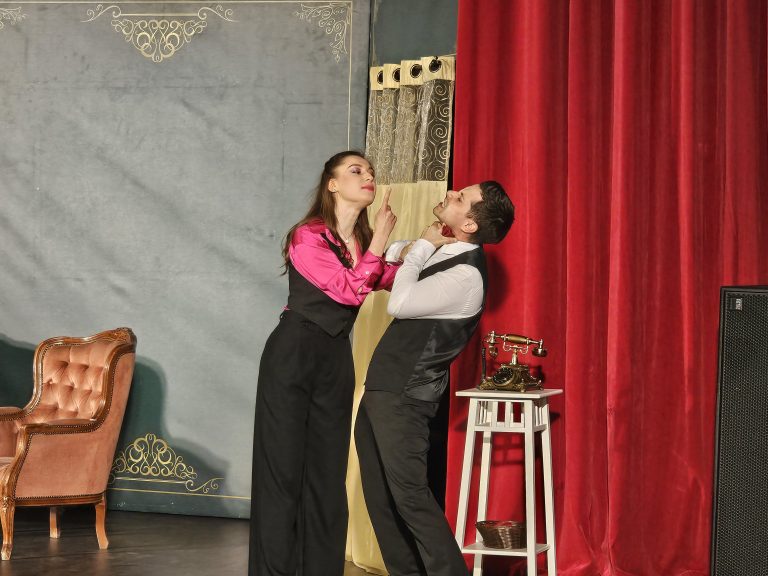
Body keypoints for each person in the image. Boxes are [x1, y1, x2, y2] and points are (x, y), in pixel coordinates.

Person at [249, 151, 399, 576]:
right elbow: (347, 290)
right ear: (332, 184)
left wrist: (432, 246)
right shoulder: (307, 236)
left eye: (370, 172)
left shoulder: (363, 244)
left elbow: (393, 278)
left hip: (335, 359)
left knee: (327, 477)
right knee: (281, 473)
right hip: (293, 353)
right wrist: (380, 242)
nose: (367, 176)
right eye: (356, 171)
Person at [355, 181, 515, 576]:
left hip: (405, 395)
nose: (453, 193)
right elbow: (393, 253)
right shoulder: (450, 251)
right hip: (385, 386)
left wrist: (423, 246)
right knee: (381, 497)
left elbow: (399, 302)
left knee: (409, 497)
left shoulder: (466, 275)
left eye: (462, 198)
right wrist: (416, 246)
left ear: (471, 224)